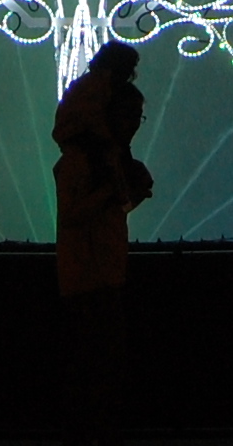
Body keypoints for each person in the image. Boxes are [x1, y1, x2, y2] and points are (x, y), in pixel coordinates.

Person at [52, 41, 150, 445]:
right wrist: (117, 192)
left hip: (97, 273)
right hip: (92, 276)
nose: (133, 125)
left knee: (97, 368)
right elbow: (76, 214)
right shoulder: (87, 158)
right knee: (97, 368)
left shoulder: (92, 149)